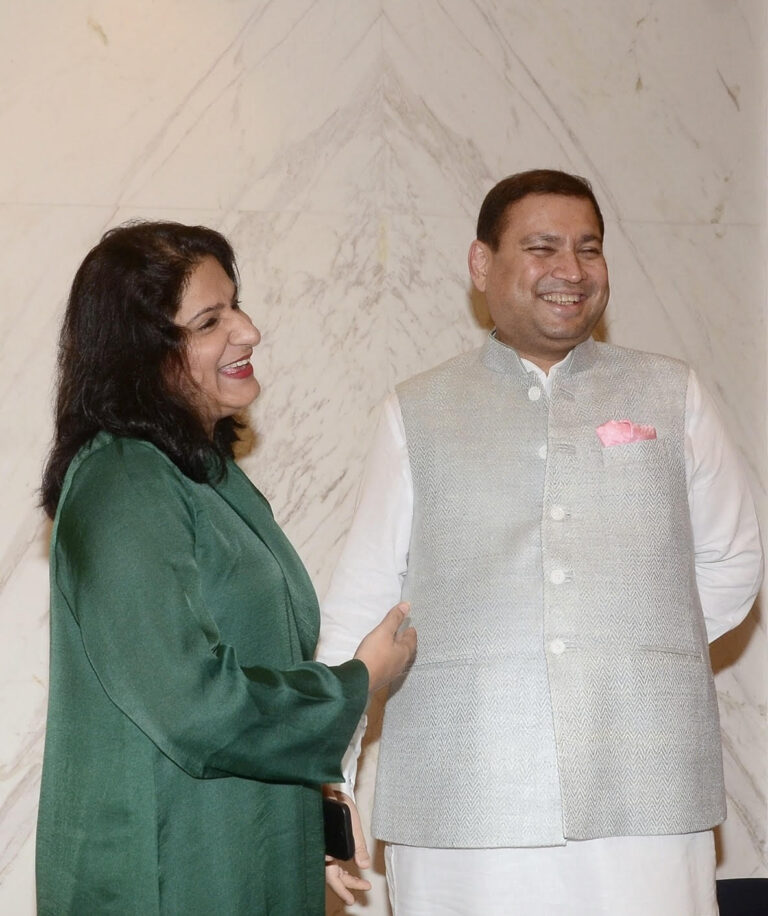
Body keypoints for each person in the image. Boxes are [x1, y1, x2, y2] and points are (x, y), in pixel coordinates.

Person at [318, 169, 763, 915]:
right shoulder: (416, 411)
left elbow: (733, 561)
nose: (571, 270)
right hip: (461, 794)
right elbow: (361, 603)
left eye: (589, 249)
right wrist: (326, 770)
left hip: (645, 793)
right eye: (543, 247)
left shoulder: (673, 393)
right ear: (481, 265)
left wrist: (632, 649)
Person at [35, 221, 416, 916]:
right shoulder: (123, 480)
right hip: (167, 872)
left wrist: (317, 813)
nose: (247, 331)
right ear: (141, 353)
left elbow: (260, 660)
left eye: (236, 305)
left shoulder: (206, 474)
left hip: (244, 853)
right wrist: (357, 686)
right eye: (210, 320)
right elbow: (193, 704)